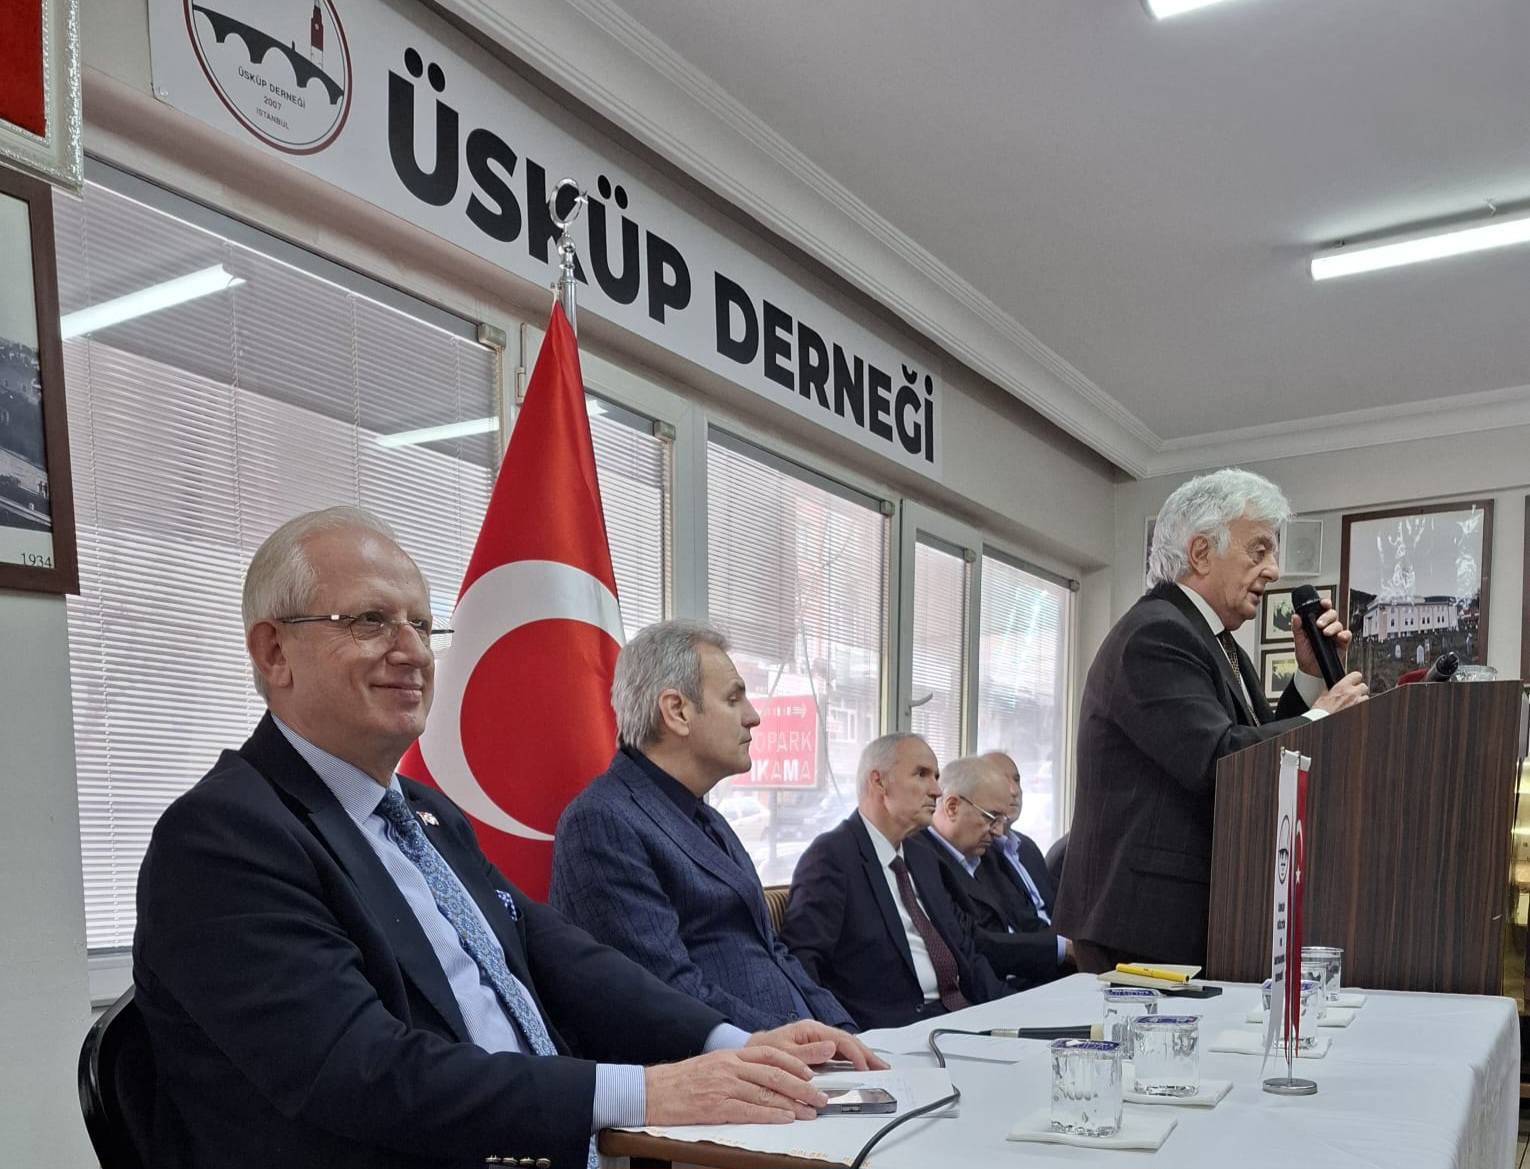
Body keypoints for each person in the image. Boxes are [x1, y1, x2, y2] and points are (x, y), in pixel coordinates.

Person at [133, 507, 877, 1169]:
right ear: (273, 652)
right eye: (370, 621)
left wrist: (731, 1042)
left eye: (422, 625)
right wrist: (643, 1091)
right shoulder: (222, 838)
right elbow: (361, 1071)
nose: (412, 652)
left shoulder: (425, 813)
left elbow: (556, 952)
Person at [1053, 469, 1368, 971]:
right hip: (1146, 925)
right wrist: (1323, 715)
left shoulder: (1214, 640)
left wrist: (1311, 678)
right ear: (1201, 552)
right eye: (1259, 550)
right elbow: (1221, 762)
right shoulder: (1157, 634)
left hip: (1184, 916)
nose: (1273, 570)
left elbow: (1251, 744)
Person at [550, 619, 853, 1032]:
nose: (753, 717)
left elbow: (774, 952)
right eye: (733, 699)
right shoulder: (602, 821)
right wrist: (800, 1047)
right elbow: (665, 993)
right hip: (738, 1062)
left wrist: (846, 1032)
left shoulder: (707, 817)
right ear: (677, 711)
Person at [781, 733, 1006, 1030]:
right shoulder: (831, 856)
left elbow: (965, 950)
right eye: (921, 774)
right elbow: (803, 963)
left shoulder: (923, 857)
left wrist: (1011, 1011)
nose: (937, 790)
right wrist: (842, 1036)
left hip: (963, 1016)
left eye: (936, 777)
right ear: (879, 782)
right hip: (893, 1030)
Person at [924, 754, 1070, 990]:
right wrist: (1061, 949)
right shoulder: (922, 859)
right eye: (991, 818)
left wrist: (1071, 947)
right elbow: (973, 943)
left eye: (1002, 819)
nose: (999, 831)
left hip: (1031, 978)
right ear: (952, 807)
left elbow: (1024, 918)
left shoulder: (987, 852)